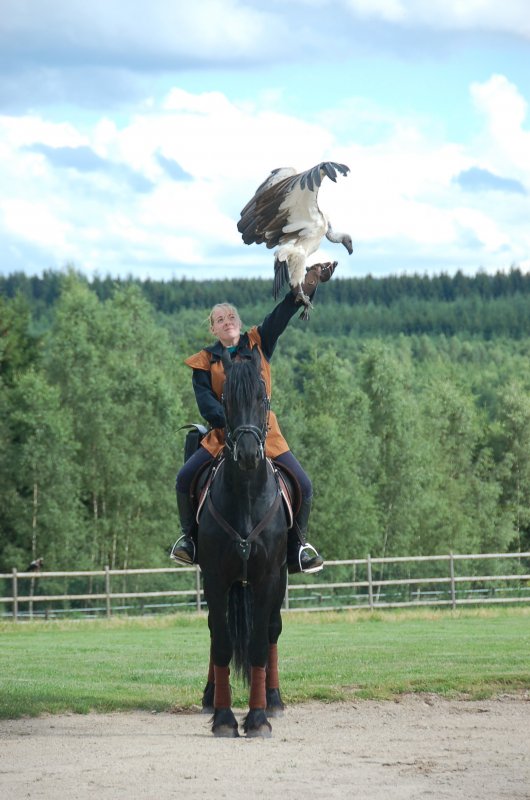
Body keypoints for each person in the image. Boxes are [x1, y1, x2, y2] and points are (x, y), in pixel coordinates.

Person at [171, 263, 336, 573]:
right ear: (213, 329)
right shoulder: (203, 361)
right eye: (220, 319)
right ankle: (190, 541)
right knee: (184, 478)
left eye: (231, 317)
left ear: (239, 322)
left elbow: (283, 312)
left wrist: (310, 283)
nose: (227, 321)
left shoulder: (259, 341)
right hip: (223, 435)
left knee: (304, 484)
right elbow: (206, 404)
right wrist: (233, 424)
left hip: (266, 433)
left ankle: (298, 546)